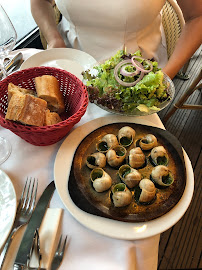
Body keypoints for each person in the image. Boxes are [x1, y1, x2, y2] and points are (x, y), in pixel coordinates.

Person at [30, 0, 202, 79]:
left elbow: (197, 17)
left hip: (135, 72)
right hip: (70, 63)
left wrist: (166, 76)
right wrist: (53, 39)